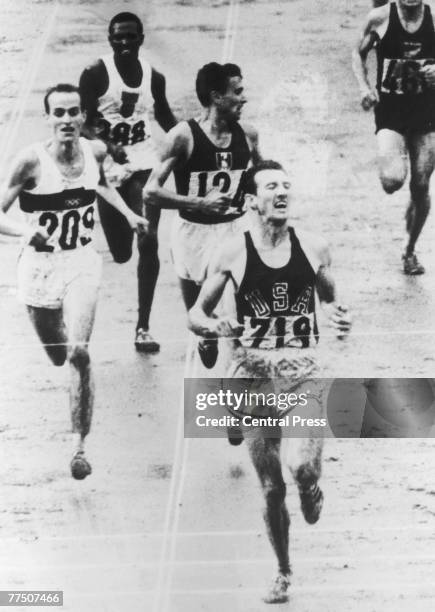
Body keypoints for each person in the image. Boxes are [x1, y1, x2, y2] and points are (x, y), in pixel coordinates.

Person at [188, 161, 351, 603]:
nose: (281, 192)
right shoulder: (231, 251)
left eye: (286, 185)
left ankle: (312, 483)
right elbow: (196, 313)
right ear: (252, 201)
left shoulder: (314, 246)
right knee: (271, 486)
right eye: (270, 186)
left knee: (299, 468)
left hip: (303, 373)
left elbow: (332, 299)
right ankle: (282, 570)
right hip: (252, 376)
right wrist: (213, 326)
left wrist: (339, 316)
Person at [0, 84, 147, 479]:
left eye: (73, 112)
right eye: (58, 113)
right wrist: (25, 233)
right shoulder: (30, 162)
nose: (66, 120)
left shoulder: (93, 151)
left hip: (82, 262)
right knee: (56, 354)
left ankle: (80, 445)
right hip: (38, 269)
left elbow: (100, 184)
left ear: (84, 117)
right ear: (48, 119)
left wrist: (130, 215)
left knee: (79, 352)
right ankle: (63, 347)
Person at [144, 61, 261, 368]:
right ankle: (206, 341)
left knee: (244, 312)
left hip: (235, 230)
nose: (243, 98)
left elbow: (262, 177)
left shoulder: (248, 134)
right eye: (237, 92)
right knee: (200, 322)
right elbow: (150, 191)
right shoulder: (184, 136)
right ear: (216, 97)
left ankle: (245, 383)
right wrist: (199, 203)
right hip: (192, 234)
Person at [79, 12, 176, 352]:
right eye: (117, 37)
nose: (123, 43)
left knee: (148, 239)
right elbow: (83, 122)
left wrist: (189, 139)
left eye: (130, 37)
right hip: (108, 171)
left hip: (144, 165)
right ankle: (122, 246)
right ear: (110, 39)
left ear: (141, 39)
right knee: (121, 253)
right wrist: (108, 145)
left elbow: (164, 116)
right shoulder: (94, 73)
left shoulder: (154, 77)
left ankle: (143, 327)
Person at [353, 0, 435, 275]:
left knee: (421, 185)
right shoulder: (379, 18)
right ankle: (403, 175)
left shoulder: (434, 16)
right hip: (392, 112)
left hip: (428, 113)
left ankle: (409, 249)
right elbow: (357, 53)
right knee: (392, 180)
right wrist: (364, 87)